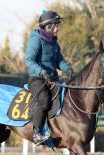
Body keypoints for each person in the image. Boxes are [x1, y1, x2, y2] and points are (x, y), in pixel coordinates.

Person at [25, 10, 74, 145]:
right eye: (56, 25)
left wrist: (68, 68)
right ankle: (37, 133)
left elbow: (59, 61)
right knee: (44, 100)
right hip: (37, 79)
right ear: (49, 26)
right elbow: (29, 60)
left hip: (53, 80)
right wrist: (42, 72)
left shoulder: (54, 43)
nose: (58, 28)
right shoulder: (36, 39)